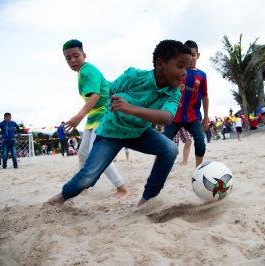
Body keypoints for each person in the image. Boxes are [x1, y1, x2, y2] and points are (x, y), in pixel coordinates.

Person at [46, 39, 191, 207]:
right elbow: (111, 89)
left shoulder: (173, 93)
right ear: (160, 64)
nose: (184, 73)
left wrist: (132, 109)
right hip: (111, 132)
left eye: (186, 68)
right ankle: (62, 196)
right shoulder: (134, 76)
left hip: (139, 132)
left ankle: (146, 200)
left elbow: (166, 117)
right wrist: (113, 110)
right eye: (180, 66)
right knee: (88, 177)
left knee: (170, 149)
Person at [60, 39, 129, 196]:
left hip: (104, 113)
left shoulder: (87, 70)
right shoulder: (81, 73)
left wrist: (78, 117)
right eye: (68, 58)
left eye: (75, 56)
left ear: (84, 55)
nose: (72, 60)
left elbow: (96, 95)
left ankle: (122, 189)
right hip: (93, 116)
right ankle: (81, 187)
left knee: (96, 154)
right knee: (83, 153)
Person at [163, 40, 209, 167]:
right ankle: (156, 168)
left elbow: (205, 97)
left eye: (193, 55)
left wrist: (205, 118)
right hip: (174, 116)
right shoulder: (177, 71)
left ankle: (199, 169)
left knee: (200, 141)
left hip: (193, 116)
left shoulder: (202, 76)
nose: (191, 58)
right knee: (163, 143)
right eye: (188, 55)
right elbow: (167, 90)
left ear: (198, 55)